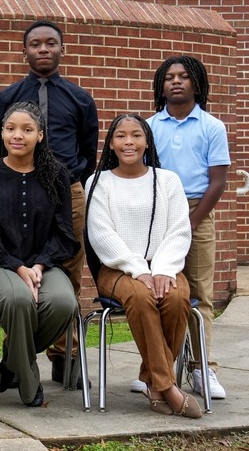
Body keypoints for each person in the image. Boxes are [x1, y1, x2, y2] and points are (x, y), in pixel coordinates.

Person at [0, 20, 98, 388]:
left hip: (66, 194)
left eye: (51, 43)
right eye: (35, 44)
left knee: (66, 272)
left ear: (62, 49)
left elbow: (88, 151)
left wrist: (69, 176)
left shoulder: (80, 98)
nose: (43, 49)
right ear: (25, 52)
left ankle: (62, 355)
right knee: (19, 274)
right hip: (17, 190)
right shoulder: (8, 98)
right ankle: (17, 351)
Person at [85, 114, 201, 418]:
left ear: (146, 141)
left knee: (176, 297)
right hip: (117, 269)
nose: (129, 142)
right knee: (140, 295)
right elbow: (102, 235)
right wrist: (140, 270)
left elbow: (179, 230)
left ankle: (152, 382)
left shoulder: (168, 180)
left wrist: (162, 269)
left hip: (166, 265)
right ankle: (168, 387)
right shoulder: (99, 183)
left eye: (136, 135)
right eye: (121, 136)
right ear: (111, 144)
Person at [0, 101, 78, 407]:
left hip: (45, 263)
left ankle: (12, 362)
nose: (18, 135)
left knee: (63, 301)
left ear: (40, 135)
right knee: (18, 299)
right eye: (10, 129)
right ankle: (29, 386)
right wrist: (19, 268)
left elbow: (64, 234)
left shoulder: (56, 174)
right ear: (2, 133)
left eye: (27, 130)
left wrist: (40, 266)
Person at [146, 55, 230, 400]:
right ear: (161, 86)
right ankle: (156, 369)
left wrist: (190, 224)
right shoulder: (149, 126)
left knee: (199, 295)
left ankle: (201, 368)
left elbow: (219, 182)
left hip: (197, 210)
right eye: (169, 77)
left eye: (183, 76)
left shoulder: (212, 126)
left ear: (196, 83)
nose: (176, 82)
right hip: (158, 211)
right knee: (157, 292)